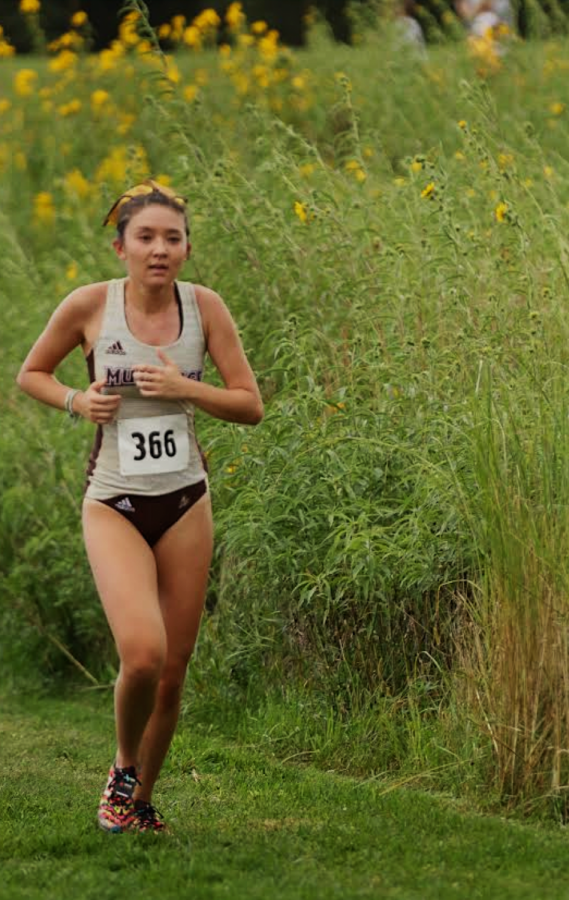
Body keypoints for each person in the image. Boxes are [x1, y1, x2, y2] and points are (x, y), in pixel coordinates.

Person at [17, 180, 264, 834]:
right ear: (120, 245)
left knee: (175, 671)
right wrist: (78, 401)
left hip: (185, 499)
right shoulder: (89, 306)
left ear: (185, 249)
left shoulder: (205, 308)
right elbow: (30, 373)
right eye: (146, 237)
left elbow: (250, 404)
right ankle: (123, 767)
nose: (159, 249)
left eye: (172, 238)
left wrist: (186, 387)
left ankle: (139, 803)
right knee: (144, 655)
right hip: (115, 502)